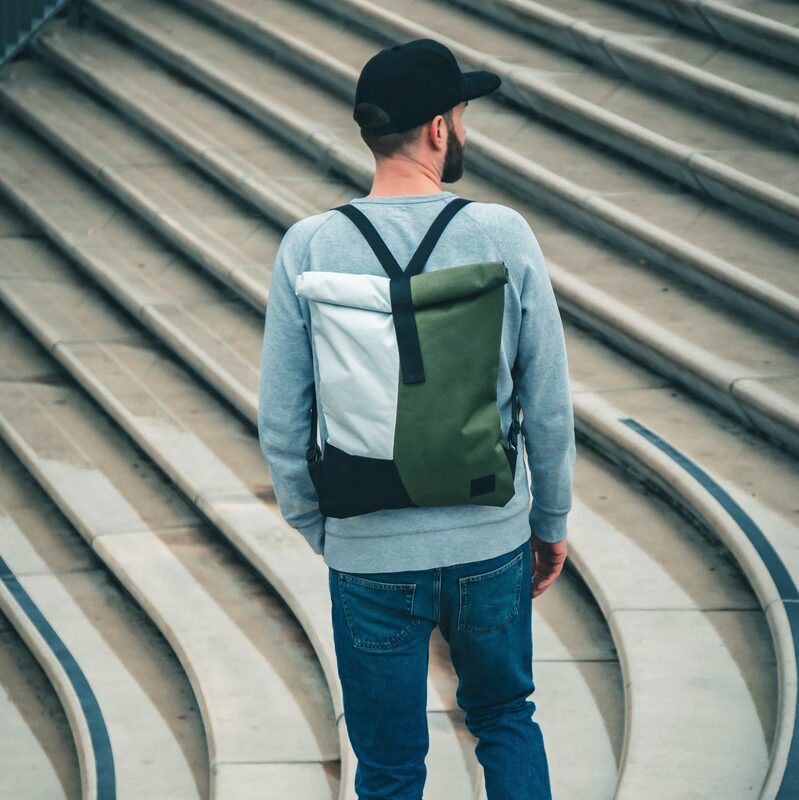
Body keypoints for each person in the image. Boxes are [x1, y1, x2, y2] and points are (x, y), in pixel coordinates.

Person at [258, 38, 576, 800]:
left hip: (368, 552)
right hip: (488, 538)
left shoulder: (310, 246)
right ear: (439, 128)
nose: (462, 129)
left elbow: (281, 420)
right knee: (504, 716)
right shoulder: (500, 233)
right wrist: (550, 519)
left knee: (391, 766)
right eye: (461, 115)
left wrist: (324, 530)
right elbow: (548, 399)